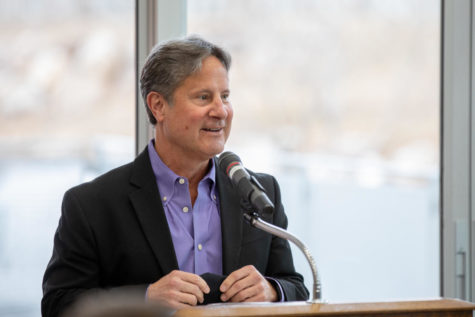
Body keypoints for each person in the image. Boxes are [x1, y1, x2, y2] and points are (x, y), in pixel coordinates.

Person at [42, 36, 308, 317]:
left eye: (225, 96)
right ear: (158, 106)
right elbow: (58, 305)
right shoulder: (92, 204)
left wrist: (272, 290)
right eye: (204, 97)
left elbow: (297, 288)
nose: (221, 111)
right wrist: (145, 298)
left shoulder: (260, 192)